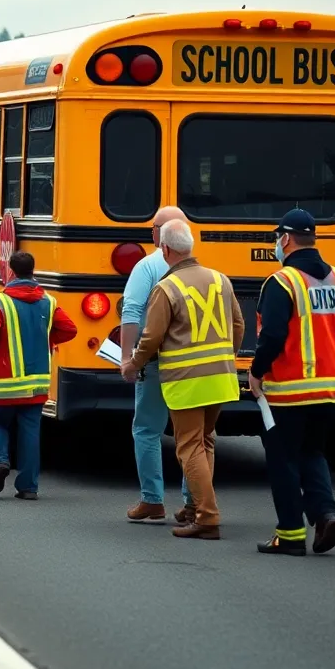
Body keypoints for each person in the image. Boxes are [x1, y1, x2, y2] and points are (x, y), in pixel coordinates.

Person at [123, 220, 243, 539]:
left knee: (188, 446)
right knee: (205, 441)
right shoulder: (221, 280)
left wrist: (133, 362)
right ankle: (194, 508)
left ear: (165, 249)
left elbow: (151, 337)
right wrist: (225, 357)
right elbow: (239, 324)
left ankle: (207, 516)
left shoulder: (167, 287)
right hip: (221, 378)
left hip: (187, 380)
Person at [249, 208, 335, 557]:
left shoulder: (282, 282)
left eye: (276, 239)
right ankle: (325, 515)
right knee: (312, 451)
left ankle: (291, 535)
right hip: (330, 387)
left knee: (283, 460)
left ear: (285, 239)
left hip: (290, 389)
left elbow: (273, 334)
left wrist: (256, 371)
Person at [0, 251, 78, 500]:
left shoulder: (0, 302)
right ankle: (29, 487)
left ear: (11, 271)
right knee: (30, 430)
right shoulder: (48, 302)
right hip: (37, 384)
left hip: (6, 382)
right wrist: (47, 338)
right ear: (34, 271)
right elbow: (70, 329)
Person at [120, 205, 196, 526]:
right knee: (191, 435)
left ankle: (153, 500)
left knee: (147, 429)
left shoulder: (147, 267)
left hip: (157, 363)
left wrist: (127, 358)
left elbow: (132, 312)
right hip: (193, 364)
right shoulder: (201, 271)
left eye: (153, 227)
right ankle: (193, 501)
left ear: (160, 235)